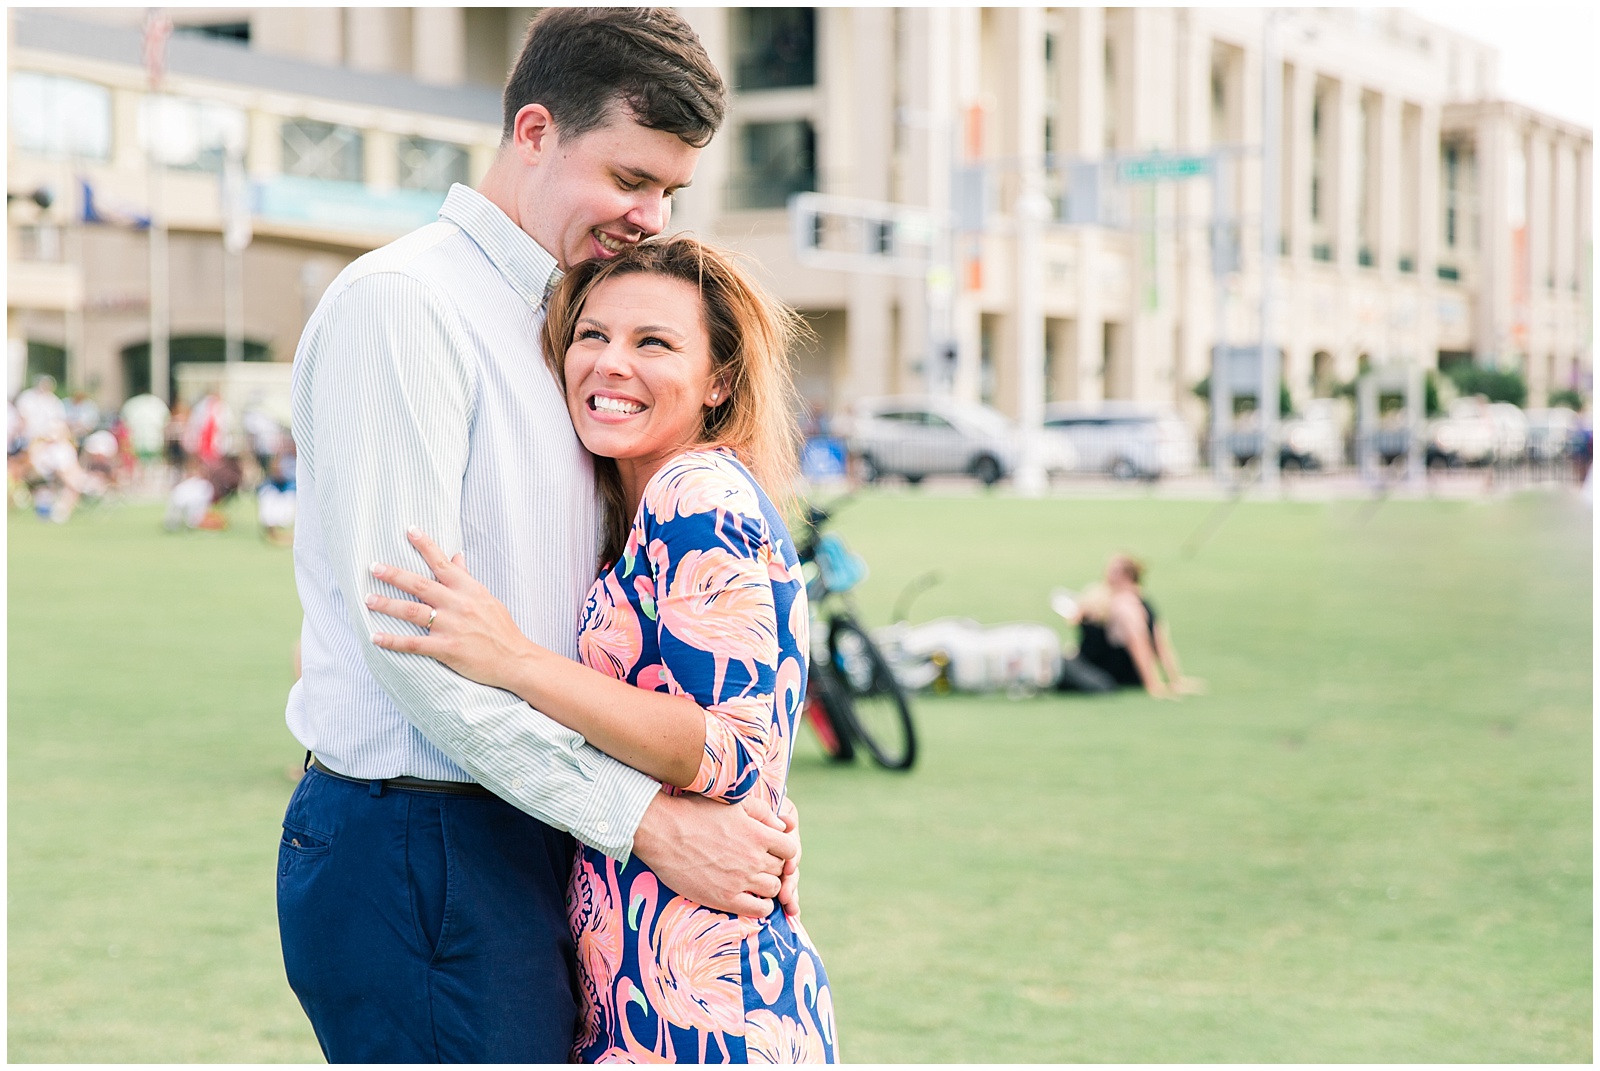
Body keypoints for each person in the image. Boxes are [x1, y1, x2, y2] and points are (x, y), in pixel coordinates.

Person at [277, 9, 799, 1064]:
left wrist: (735, 812)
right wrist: (649, 822)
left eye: (667, 192)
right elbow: (416, 648)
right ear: (532, 133)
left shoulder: (563, 324)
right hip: (424, 838)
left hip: (537, 831)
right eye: (628, 178)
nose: (649, 215)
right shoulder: (408, 305)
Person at [370, 236, 838, 1063]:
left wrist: (513, 657)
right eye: (593, 335)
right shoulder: (638, 505)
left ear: (718, 380)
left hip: (705, 1002)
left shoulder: (695, 492)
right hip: (641, 985)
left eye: (653, 342)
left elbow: (726, 747)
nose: (611, 363)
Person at [1054, 555, 1204, 699]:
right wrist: (1174, 679)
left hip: (1104, 671)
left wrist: (1153, 685)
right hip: (1125, 674)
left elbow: (1139, 644)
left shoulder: (1123, 606)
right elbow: (1160, 644)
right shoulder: (1142, 601)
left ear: (1124, 575)